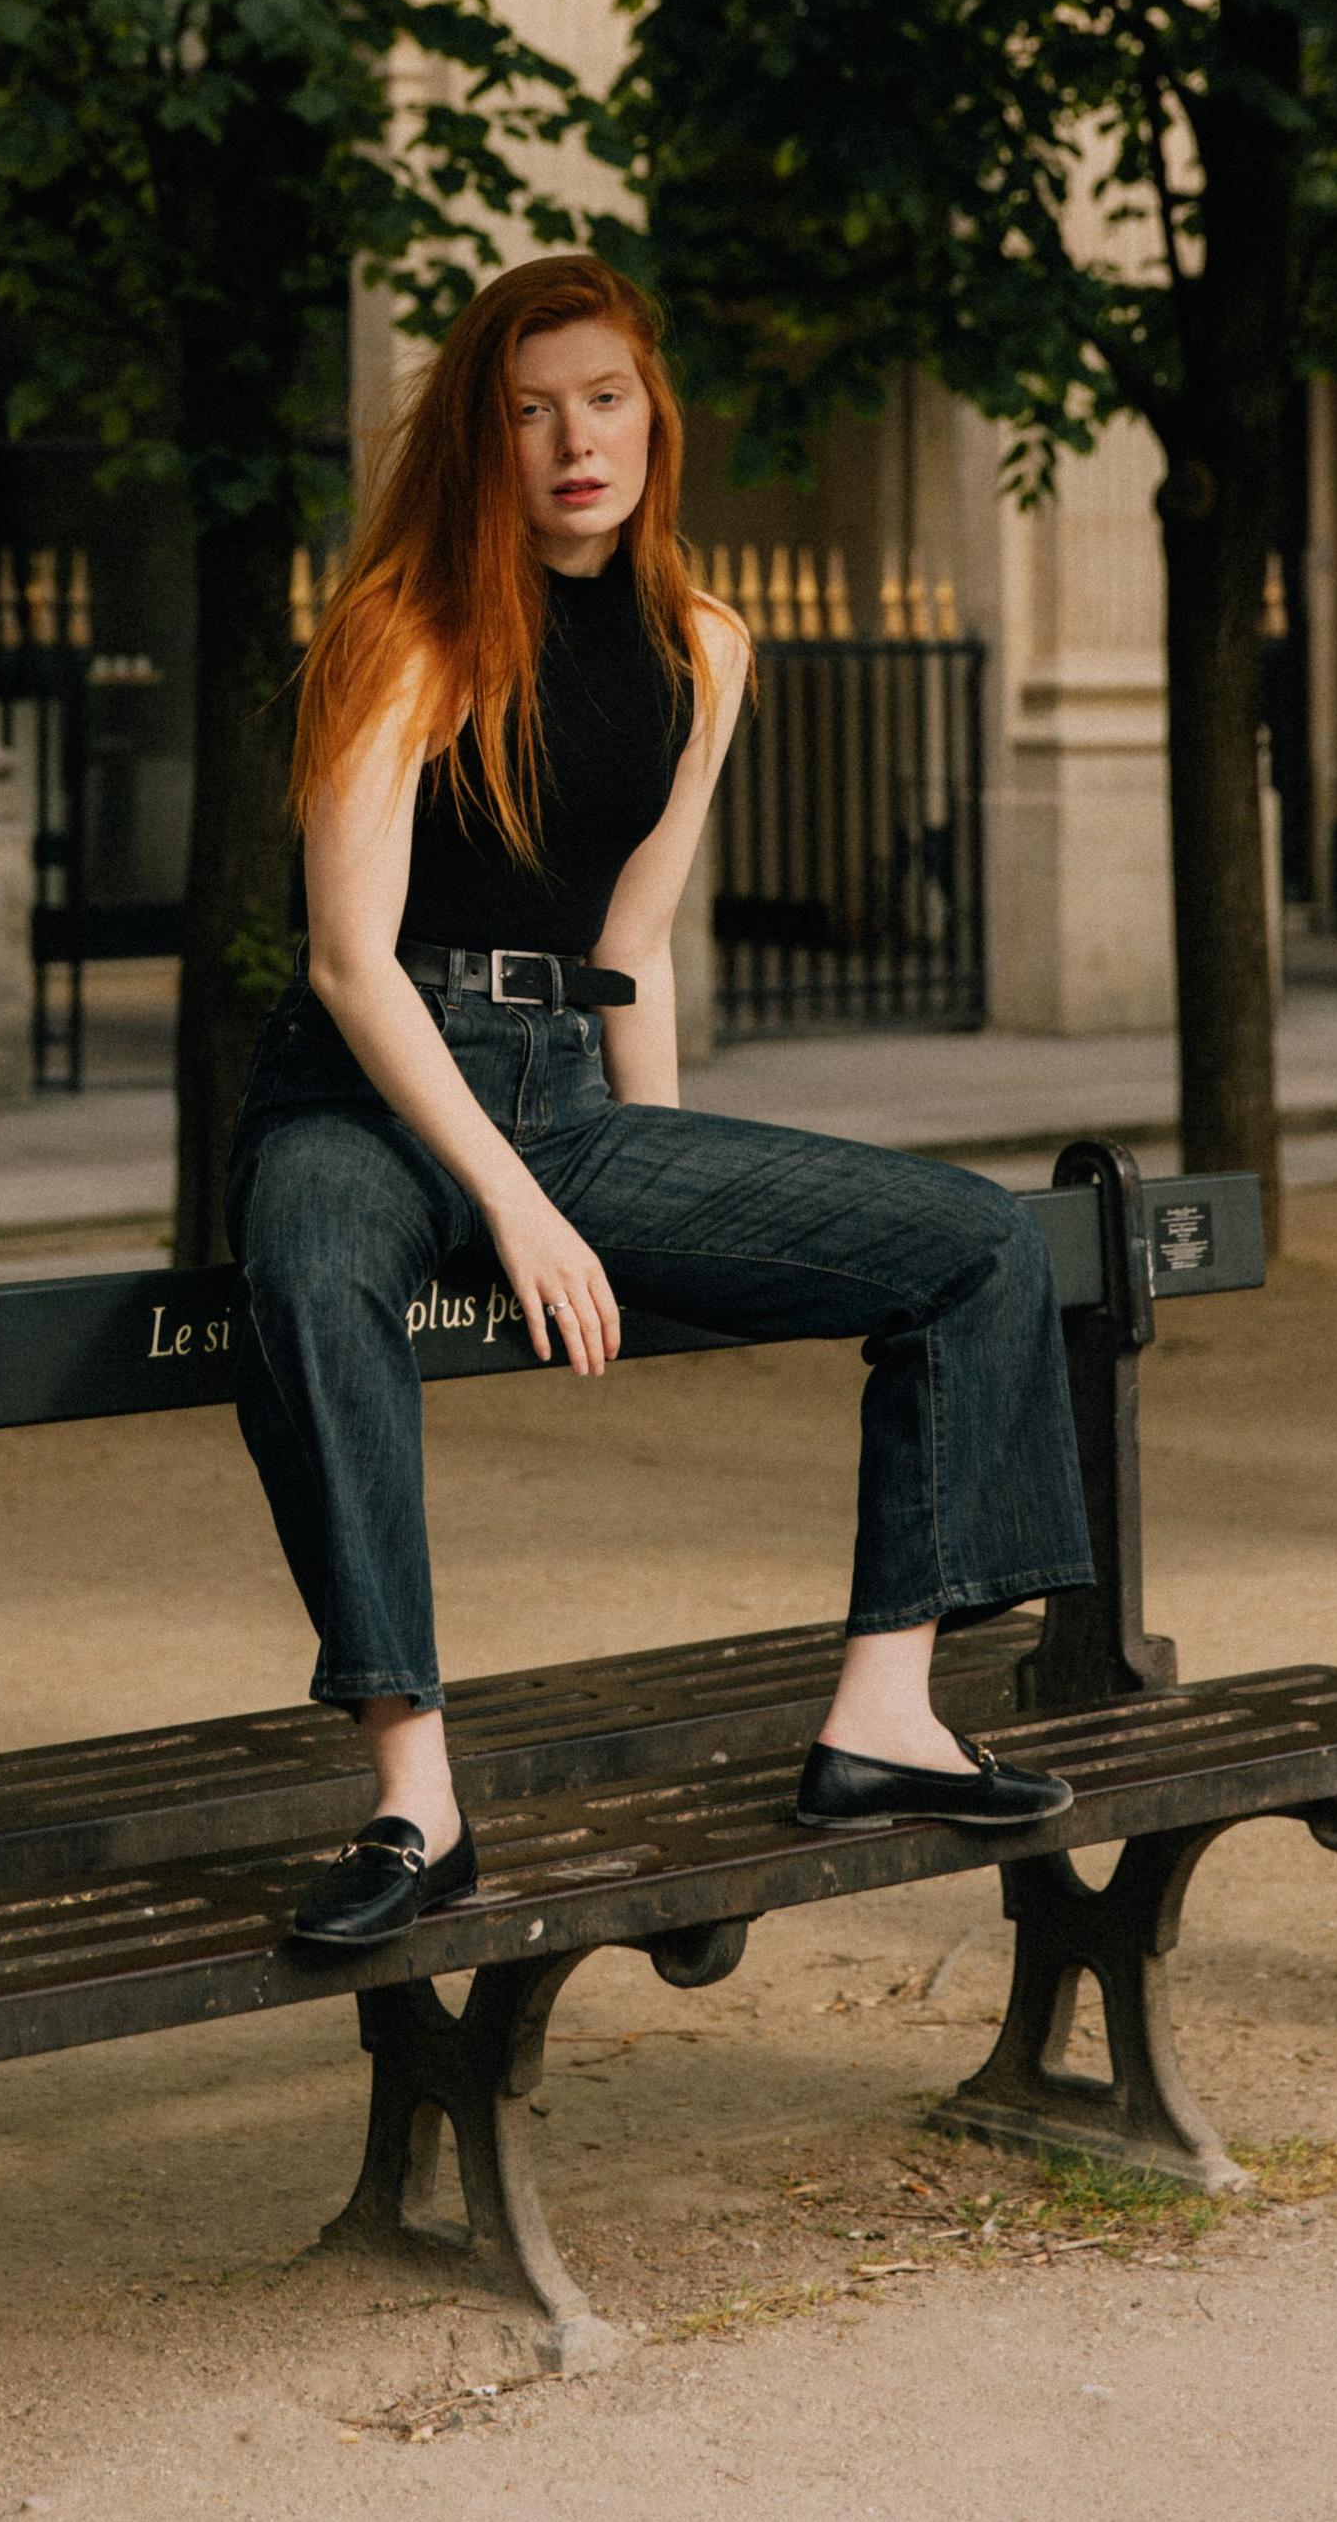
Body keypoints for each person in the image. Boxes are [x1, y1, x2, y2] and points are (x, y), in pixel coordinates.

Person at [228, 254, 1093, 1950]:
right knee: (313, 1267)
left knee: (984, 1243)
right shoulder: (404, 634)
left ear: (652, 415)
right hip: (357, 1094)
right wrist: (523, 1205)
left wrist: (662, 1171)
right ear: (488, 436)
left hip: (561, 1094)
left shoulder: (707, 643)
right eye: (533, 409)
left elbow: (632, 943)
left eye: (605, 399)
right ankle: (416, 1797)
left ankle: (882, 1717)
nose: (575, 440)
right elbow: (351, 962)